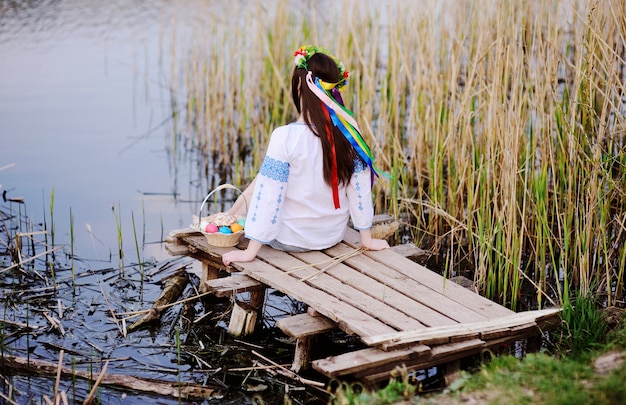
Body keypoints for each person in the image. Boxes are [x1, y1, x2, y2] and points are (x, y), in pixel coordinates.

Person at [222, 45, 389, 266]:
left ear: (300, 86)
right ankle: (229, 214)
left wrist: (248, 253)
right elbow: (359, 189)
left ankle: (226, 217)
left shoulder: (285, 136)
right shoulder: (348, 133)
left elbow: (270, 196)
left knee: (264, 182)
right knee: (263, 179)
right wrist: (366, 239)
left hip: (290, 240)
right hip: (331, 236)